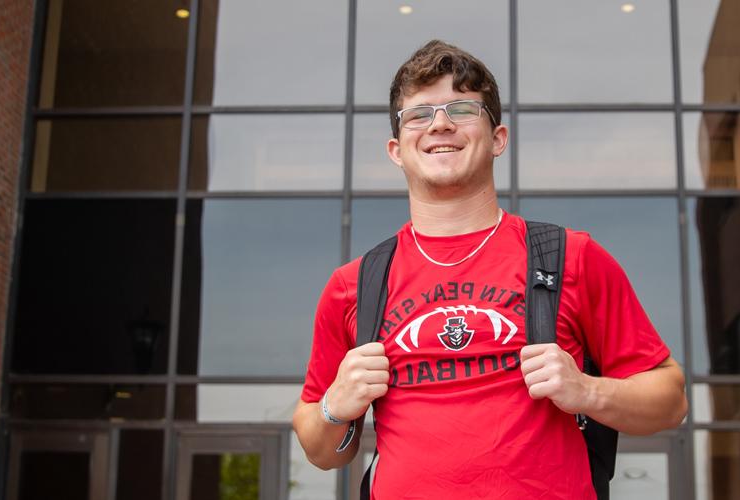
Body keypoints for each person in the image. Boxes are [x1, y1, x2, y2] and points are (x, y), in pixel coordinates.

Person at [291, 40, 688, 499]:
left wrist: (586, 391)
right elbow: (322, 451)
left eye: (461, 109)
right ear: (397, 149)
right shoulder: (355, 285)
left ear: (498, 138)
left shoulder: (570, 258)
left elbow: (671, 400)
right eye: (419, 114)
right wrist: (335, 409)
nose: (440, 123)